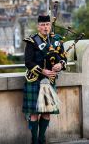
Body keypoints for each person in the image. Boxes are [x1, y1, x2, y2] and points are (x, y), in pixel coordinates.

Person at [22, 15, 67, 144]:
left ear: (50, 25)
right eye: (42, 25)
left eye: (47, 24)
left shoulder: (56, 41)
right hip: (34, 80)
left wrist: (60, 65)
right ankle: (34, 140)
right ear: (38, 26)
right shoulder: (32, 41)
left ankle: (42, 139)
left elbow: (63, 59)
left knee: (47, 113)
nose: (45, 27)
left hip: (50, 81)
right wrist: (43, 71)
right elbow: (28, 62)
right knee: (34, 113)